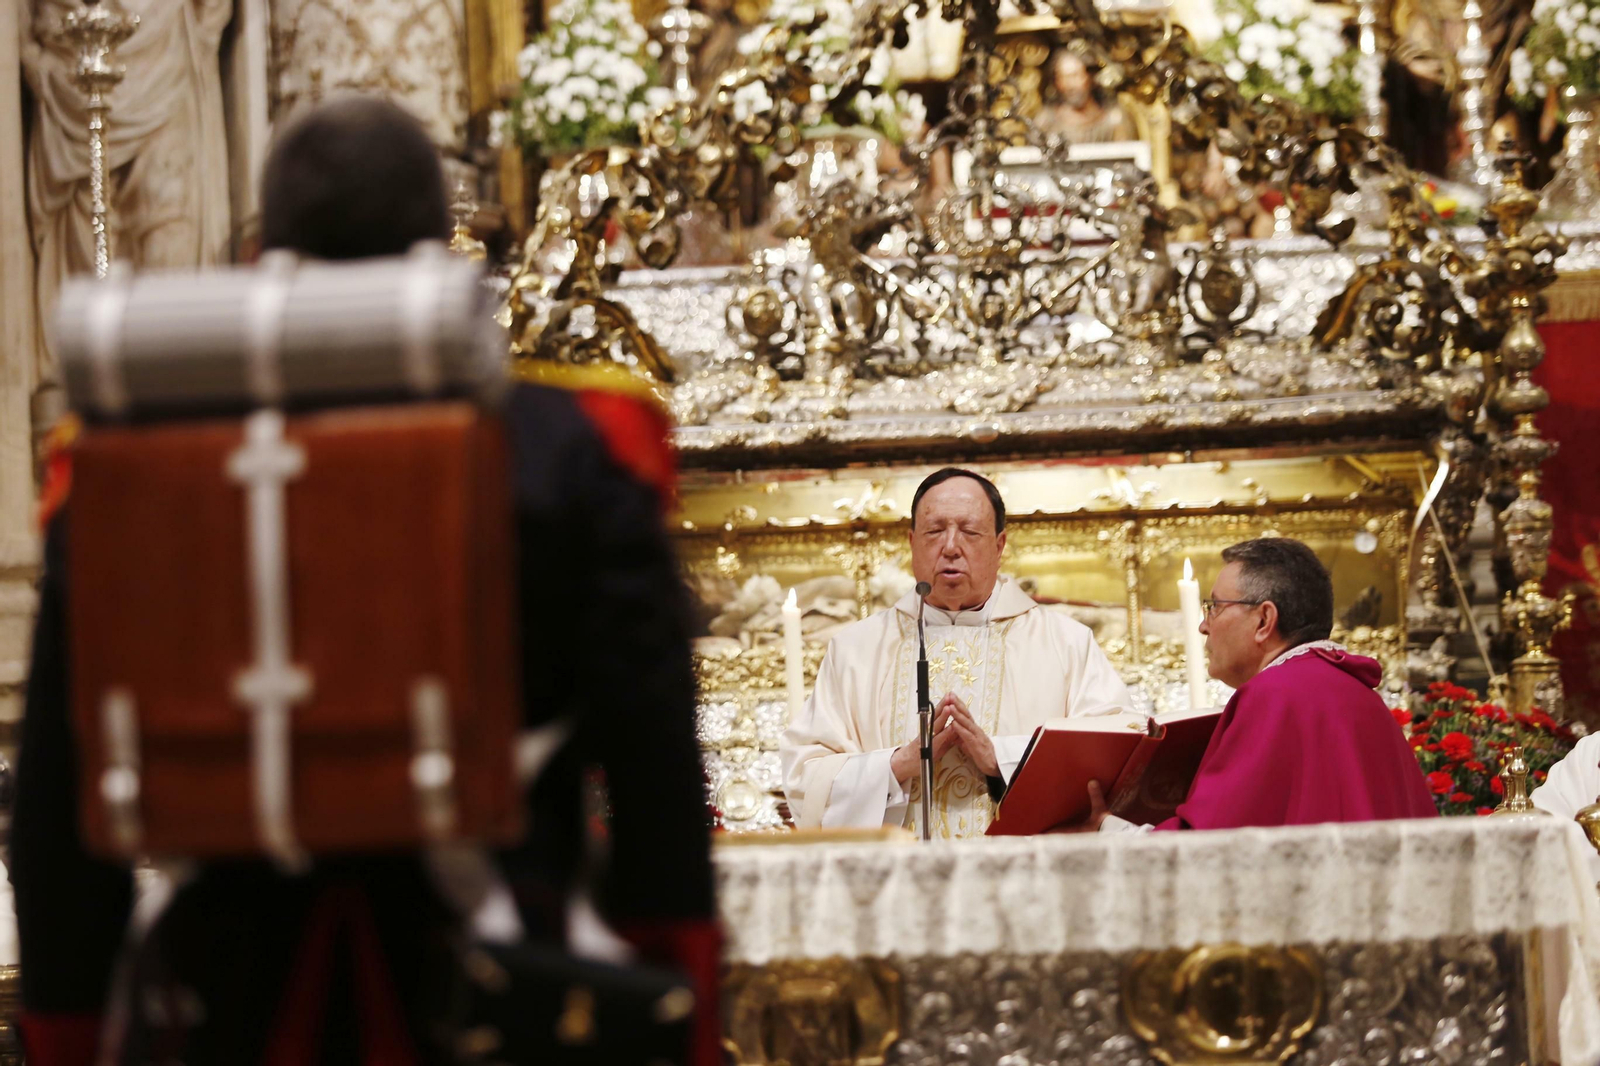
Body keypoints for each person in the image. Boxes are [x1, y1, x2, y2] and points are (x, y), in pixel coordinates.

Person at [11, 96, 718, 1066]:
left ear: (264, 260)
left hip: (222, 1005)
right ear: (442, 252)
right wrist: (679, 997)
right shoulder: (571, 452)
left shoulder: (123, 468)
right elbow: (655, 782)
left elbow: (56, 807)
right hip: (499, 994)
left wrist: (69, 1032)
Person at [781, 467, 1133, 839]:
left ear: (999, 546)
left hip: (1023, 880)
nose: (950, 547)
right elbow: (807, 779)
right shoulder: (855, 650)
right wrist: (896, 765)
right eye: (935, 531)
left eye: (969, 531)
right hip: (896, 882)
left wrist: (1002, 757)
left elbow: (1115, 751)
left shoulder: (1066, 643)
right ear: (912, 542)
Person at [1087, 537, 1438, 832]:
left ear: (1264, 620)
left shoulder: (1275, 696)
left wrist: (1105, 829)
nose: (1203, 626)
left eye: (1214, 607)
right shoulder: (1355, 692)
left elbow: (1211, 846)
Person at [1036, 50, 1136, 146]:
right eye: (1064, 78)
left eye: (1075, 76)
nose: (1070, 86)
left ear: (1089, 77)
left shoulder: (1114, 120)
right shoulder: (1046, 122)